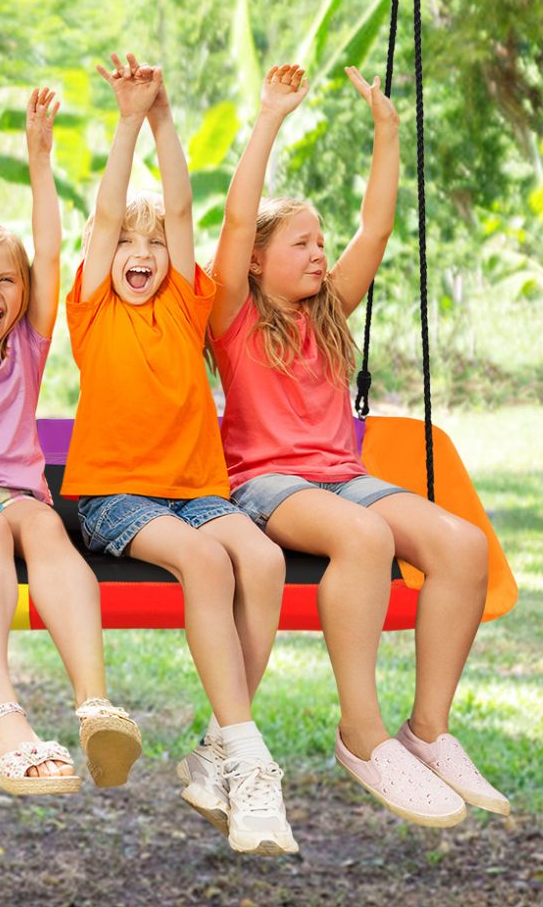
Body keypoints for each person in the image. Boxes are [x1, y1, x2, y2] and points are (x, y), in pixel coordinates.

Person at [210, 62, 509, 828]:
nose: (320, 254)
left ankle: (428, 730)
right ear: (256, 261)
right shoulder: (235, 317)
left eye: (321, 243)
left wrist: (387, 131)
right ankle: (362, 733)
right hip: (268, 486)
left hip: (344, 476)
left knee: (461, 544)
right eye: (302, 243)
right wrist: (270, 116)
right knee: (367, 537)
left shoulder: (331, 312)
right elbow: (239, 221)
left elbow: (377, 226)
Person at [64, 53, 297, 856]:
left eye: (153, 244)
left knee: (259, 561)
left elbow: (184, 206)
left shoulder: (185, 305)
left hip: (197, 491)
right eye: (129, 243)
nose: (140, 251)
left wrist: (166, 119)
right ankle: (250, 756)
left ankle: (217, 749)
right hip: (115, 496)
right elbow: (104, 222)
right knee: (207, 563)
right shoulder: (93, 309)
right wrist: (129, 120)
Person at [0, 84, 143, 795]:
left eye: (5, 281)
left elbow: (50, 251)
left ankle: (93, 704)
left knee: (46, 531)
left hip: (19, 494)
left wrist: (39, 158)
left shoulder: (32, 342)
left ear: (21, 292)